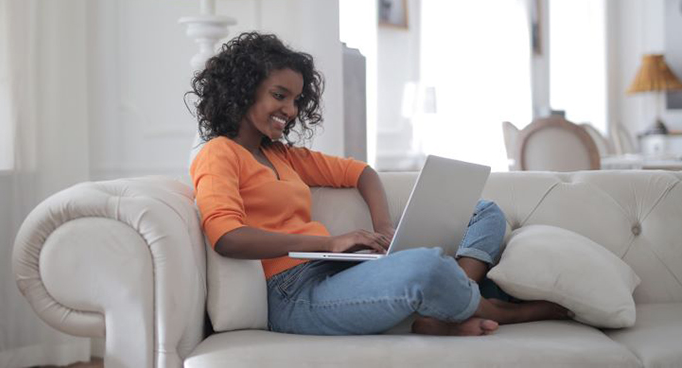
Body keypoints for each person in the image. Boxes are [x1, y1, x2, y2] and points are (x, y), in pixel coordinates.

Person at [187, 32, 569, 336]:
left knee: (485, 211)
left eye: (297, 100)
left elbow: (363, 173)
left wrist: (385, 229)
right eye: (279, 95)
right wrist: (327, 243)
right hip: (292, 295)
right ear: (242, 88)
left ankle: (448, 306)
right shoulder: (218, 153)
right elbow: (227, 237)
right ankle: (487, 306)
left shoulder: (283, 155)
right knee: (423, 266)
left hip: (334, 272)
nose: (290, 110)